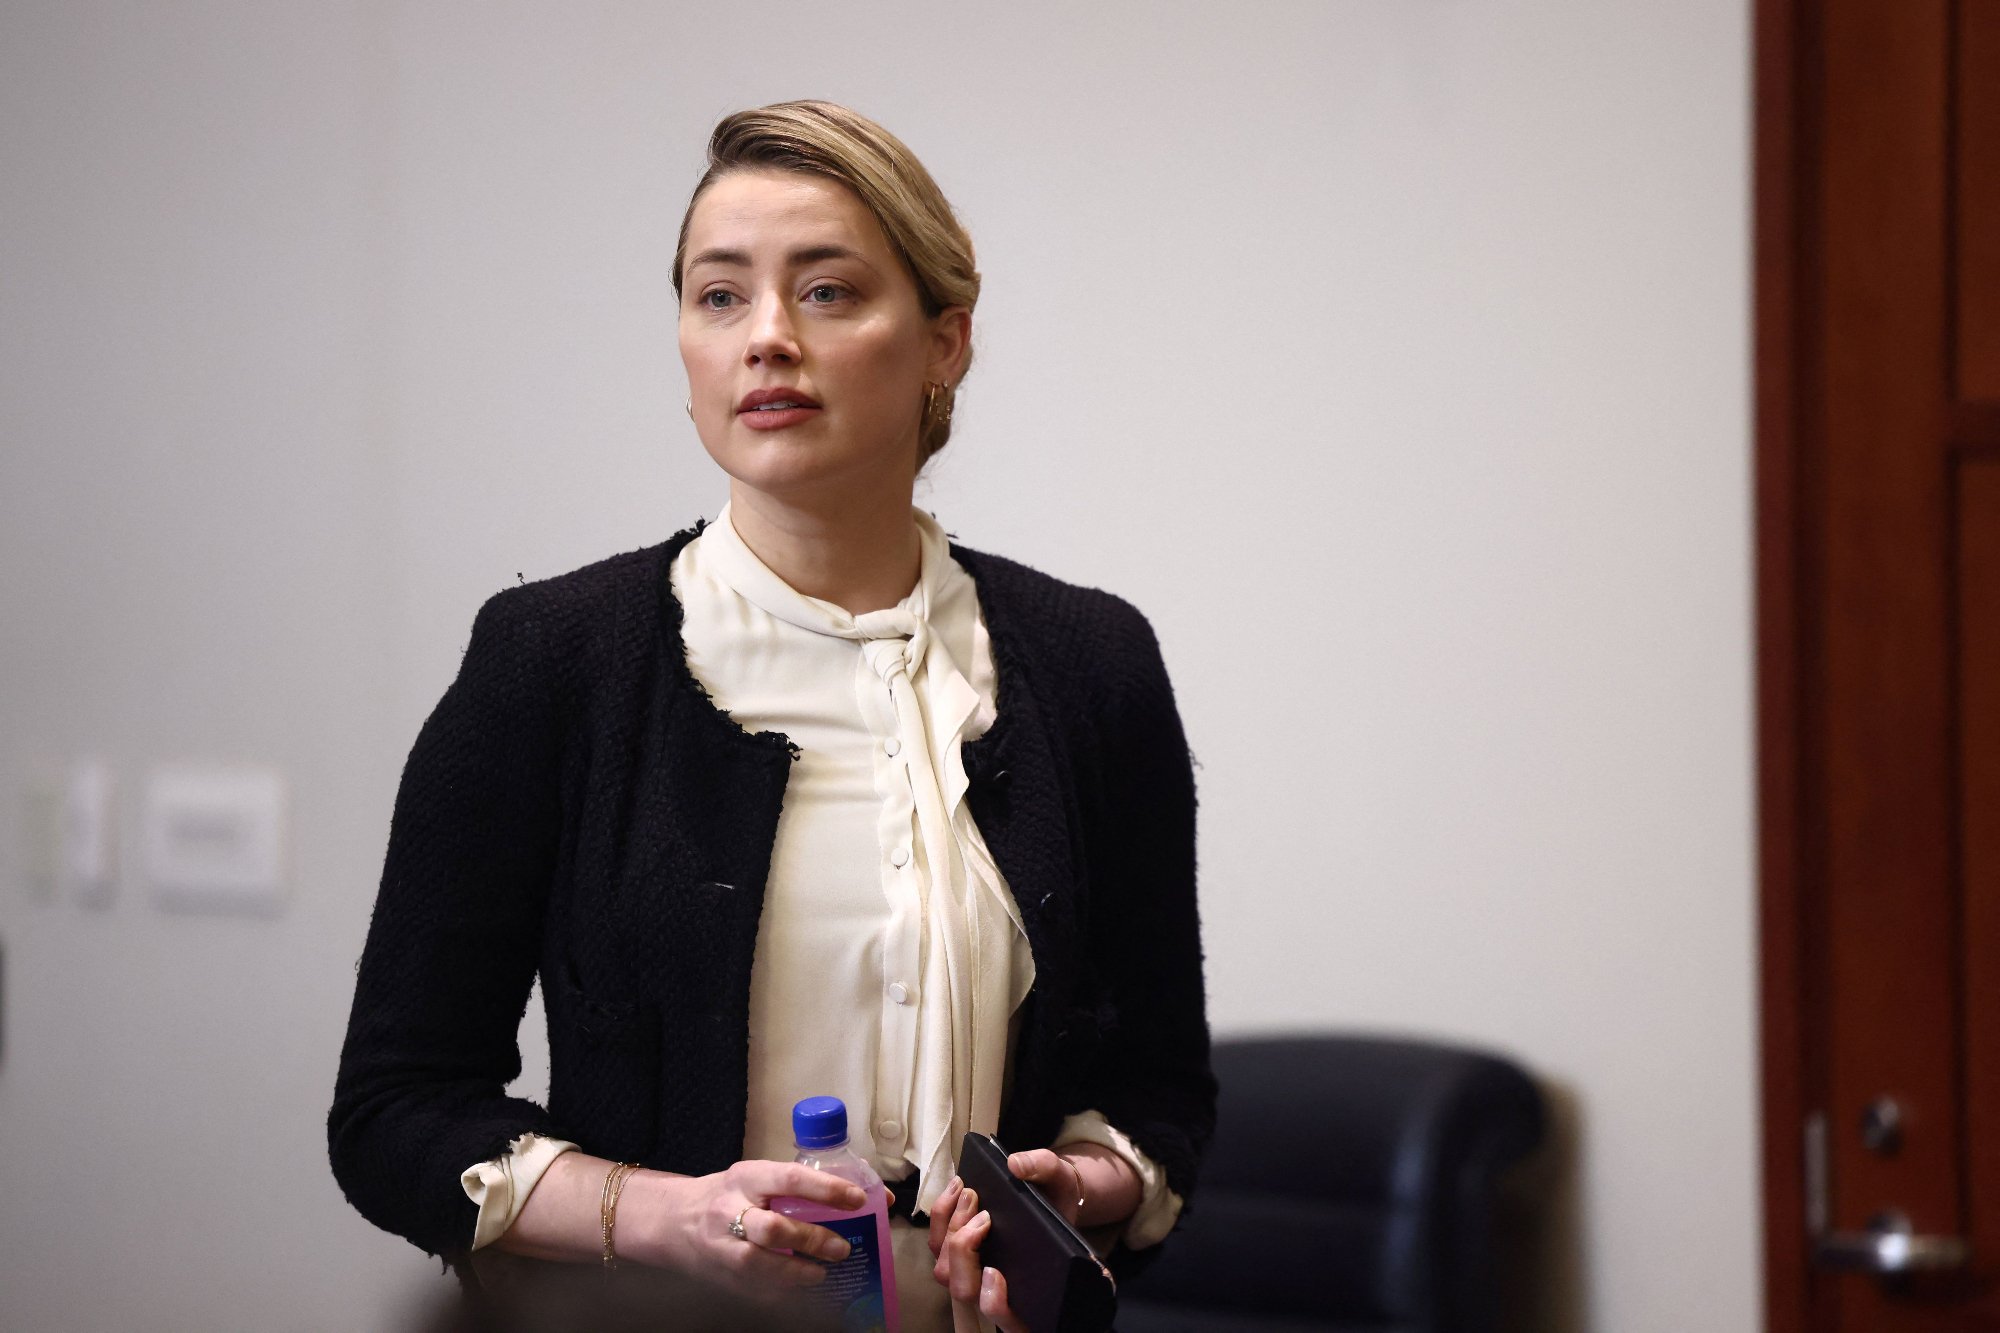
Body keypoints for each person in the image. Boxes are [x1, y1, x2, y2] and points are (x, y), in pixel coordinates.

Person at [329, 100, 1214, 1332]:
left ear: (945, 340)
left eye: (829, 292)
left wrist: (1090, 1183)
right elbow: (395, 1110)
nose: (766, 340)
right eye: (719, 296)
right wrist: (660, 1217)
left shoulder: (1090, 664)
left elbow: (1161, 1091)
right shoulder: (553, 665)